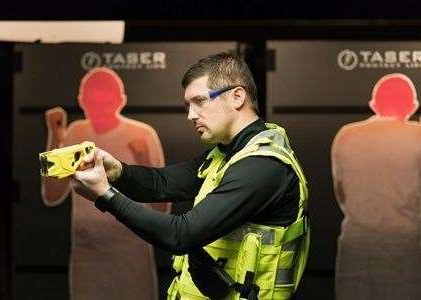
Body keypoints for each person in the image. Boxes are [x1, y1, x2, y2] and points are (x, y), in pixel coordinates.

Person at [71, 53, 309, 299]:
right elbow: (161, 184)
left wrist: (104, 195)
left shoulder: (262, 166)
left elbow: (180, 235)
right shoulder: (226, 155)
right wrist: (116, 171)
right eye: (188, 105)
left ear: (237, 96)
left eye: (200, 101)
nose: (191, 115)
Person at [42, 67, 169, 300]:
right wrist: (56, 136)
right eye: (93, 102)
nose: (99, 109)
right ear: (82, 102)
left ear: (121, 101)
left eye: (105, 102)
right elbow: (52, 194)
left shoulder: (141, 134)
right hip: (87, 252)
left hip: (132, 251)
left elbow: (163, 206)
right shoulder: (75, 132)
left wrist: (143, 160)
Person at [332, 73, 421, 299]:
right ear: (413, 106)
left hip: (355, 248)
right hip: (406, 249)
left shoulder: (346, 135)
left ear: (374, 104)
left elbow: (341, 194)